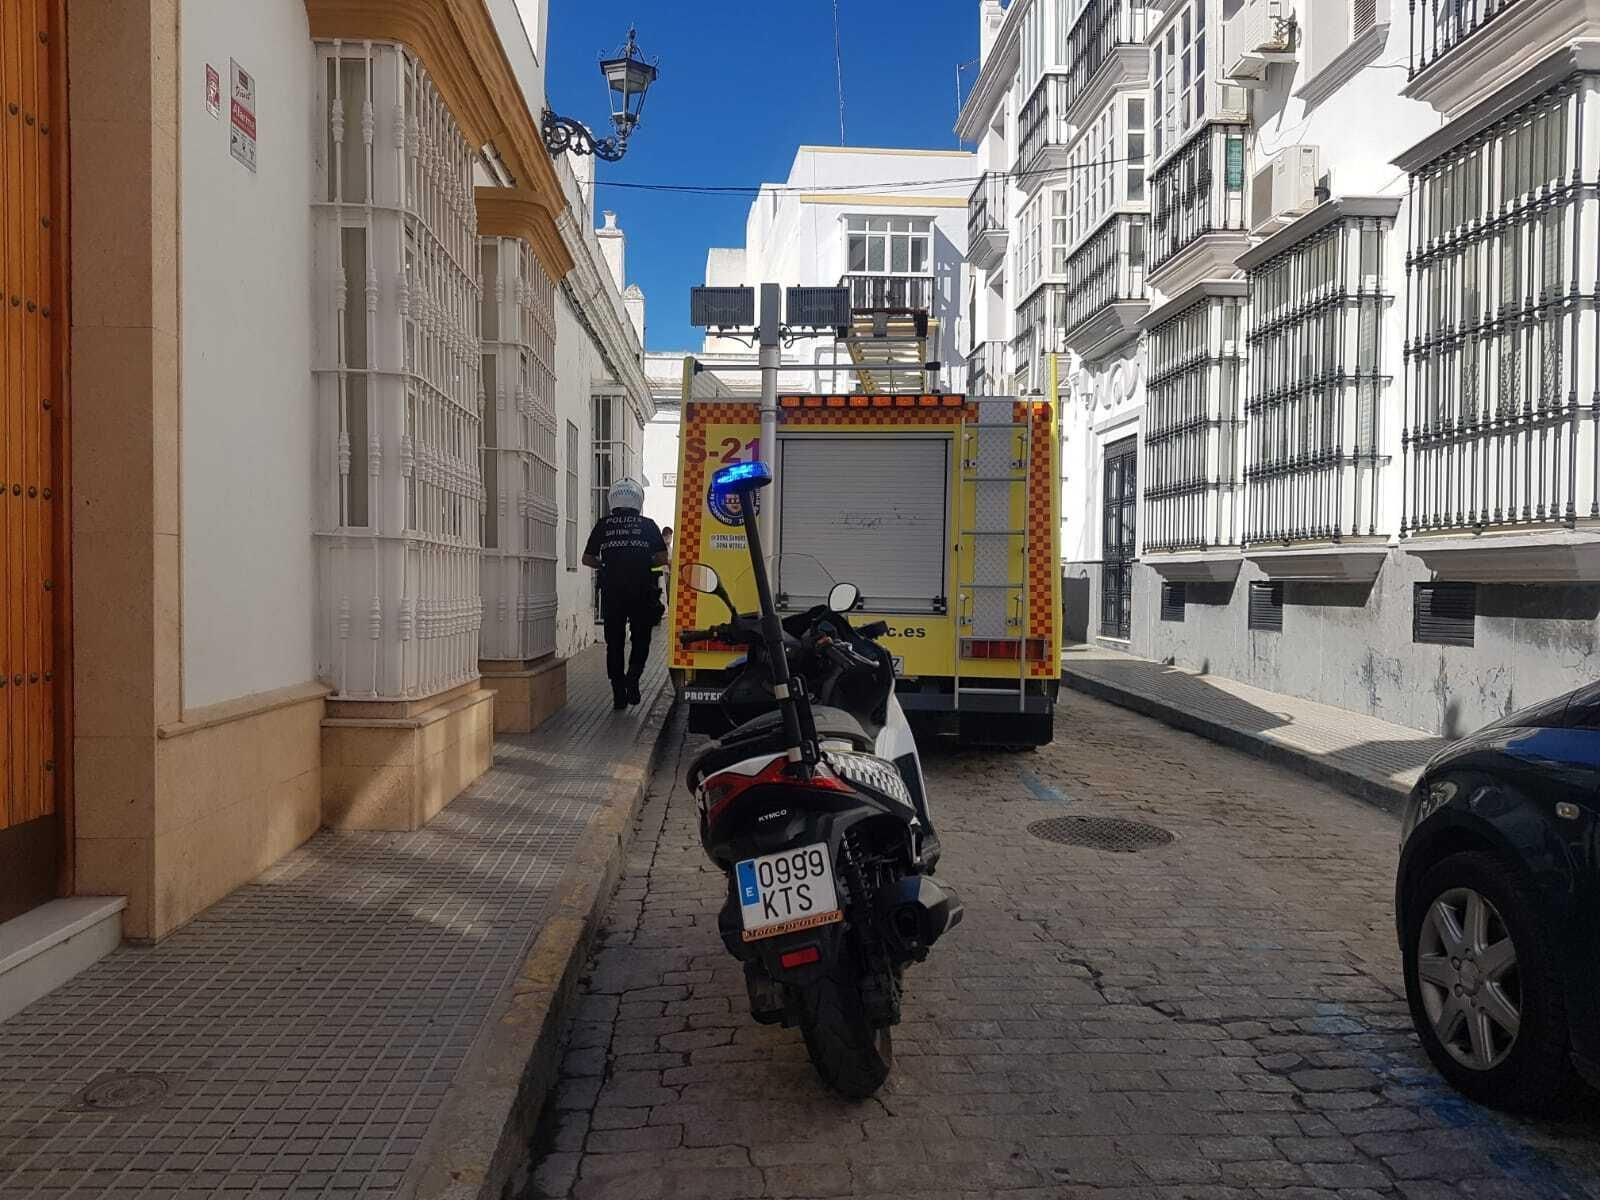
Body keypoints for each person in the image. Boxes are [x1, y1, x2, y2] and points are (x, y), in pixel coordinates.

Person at [583, 478, 669, 710]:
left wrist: (607, 565)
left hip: (612, 593)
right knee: (642, 638)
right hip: (642, 591)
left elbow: (587, 559)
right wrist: (643, 560)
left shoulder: (604, 524)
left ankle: (618, 691)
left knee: (615, 642)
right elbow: (662, 558)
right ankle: (633, 676)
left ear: (613, 499)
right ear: (638, 501)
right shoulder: (648, 525)